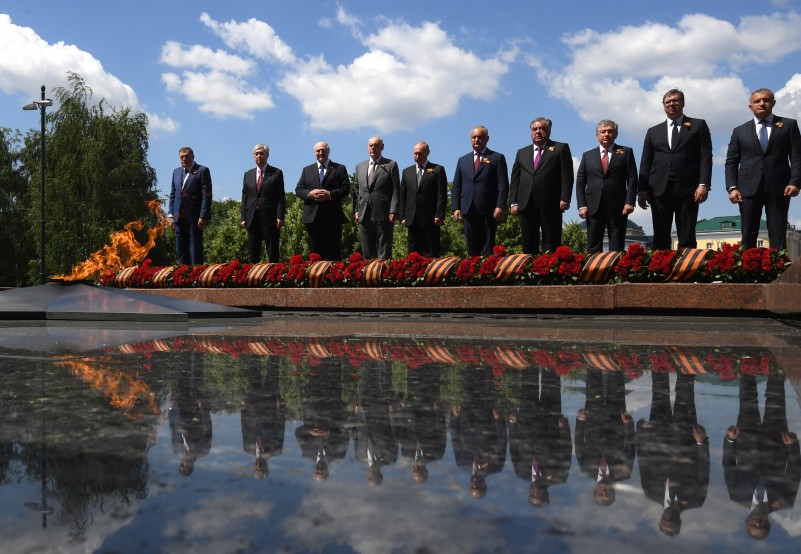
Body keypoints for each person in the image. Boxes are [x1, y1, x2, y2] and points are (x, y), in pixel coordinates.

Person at [723, 375, 799, 540]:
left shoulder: (737, 496)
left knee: (747, 397)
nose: (758, 523)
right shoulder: (784, 501)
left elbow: (728, 464)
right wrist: (793, 446)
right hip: (777, 440)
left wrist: (730, 440)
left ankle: (746, 360)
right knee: (776, 395)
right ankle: (777, 361)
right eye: (762, 526)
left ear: (746, 521)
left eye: (753, 526)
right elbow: (794, 471)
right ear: (769, 523)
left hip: (746, 437)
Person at [725, 88, 801, 250]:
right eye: (757, 101)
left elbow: (796, 157)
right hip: (747, 188)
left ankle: (779, 271)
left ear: (773, 103)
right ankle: (747, 270)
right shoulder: (740, 131)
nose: (761, 103)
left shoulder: (788, 125)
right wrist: (732, 187)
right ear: (750, 106)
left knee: (778, 232)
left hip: (780, 186)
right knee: (748, 232)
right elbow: (731, 161)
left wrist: (795, 181)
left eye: (766, 100)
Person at [638, 89, 712, 249]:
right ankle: (661, 270)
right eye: (668, 102)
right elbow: (645, 161)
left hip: (688, 187)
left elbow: (706, 156)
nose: (672, 104)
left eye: (676, 100)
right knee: (660, 234)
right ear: (664, 106)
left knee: (686, 233)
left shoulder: (698, 125)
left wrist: (704, 184)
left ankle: (687, 269)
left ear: (683, 103)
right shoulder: (653, 131)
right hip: (658, 188)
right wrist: (642, 190)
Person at [637, 372, 709, 536]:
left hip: (658, 434)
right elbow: (703, 469)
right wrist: (701, 442)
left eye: (665, 523)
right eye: (673, 524)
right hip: (687, 437)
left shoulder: (651, 492)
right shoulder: (696, 500)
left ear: (660, 518)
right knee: (686, 392)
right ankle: (687, 358)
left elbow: (643, 461)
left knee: (659, 393)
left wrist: (641, 434)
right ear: (680, 522)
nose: (669, 521)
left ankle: (659, 357)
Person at [510, 118, 574, 254]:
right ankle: (529, 272)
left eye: (542, 128)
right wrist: (514, 202)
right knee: (528, 243)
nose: (538, 132)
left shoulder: (560, 148)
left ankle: (550, 273)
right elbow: (515, 179)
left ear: (549, 130)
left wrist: (565, 198)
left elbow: (567, 176)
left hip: (551, 203)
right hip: (526, 204)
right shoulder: (522, 152)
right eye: (534, 129)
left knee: (551, 243)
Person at [576, 120, 638, 253]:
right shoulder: (588, 156)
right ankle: (593, 271)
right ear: (597, 135)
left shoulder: (626, 152)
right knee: (593, 243)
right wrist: (582, 205)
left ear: (616, 134)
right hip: (593, 205)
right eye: (603, 131)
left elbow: (632, 179)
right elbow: (581, 181)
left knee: (616, 243)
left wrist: (630, 202)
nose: (606, 134)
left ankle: (614, 271)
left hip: (618, 205)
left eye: (610, 131)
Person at [452, 126, 509, 256]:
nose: (476, 140)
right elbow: (456, 186)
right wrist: (456, 207)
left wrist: (500, 205)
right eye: (474, 137)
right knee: (471, 247)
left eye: (480, 137)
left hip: (489, 210)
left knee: (488, 247)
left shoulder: (496, 157)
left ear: (487, 139)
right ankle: (472, 272)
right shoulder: (462, 160)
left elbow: (503, 183)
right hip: (468, 208)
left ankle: (487, 273)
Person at [295, 142, 350, 260]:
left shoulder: (339, 168)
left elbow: (346, 189)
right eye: (318, 151)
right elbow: (299, 189)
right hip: (313, 219)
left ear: (328, 151)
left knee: (333, 254)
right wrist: (310, 194)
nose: (321, 153)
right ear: (314, 152)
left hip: (333, 218)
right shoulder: (307, 170)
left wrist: (330, 194)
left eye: (323, 150)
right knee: (315, 256)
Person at [399, 141, 448, 257]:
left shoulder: (437, 170)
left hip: (431, 219)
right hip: (412, 218)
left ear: (427, 153)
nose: (417, 156)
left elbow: (442, 195)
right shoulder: (407, 172)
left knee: (430, 251)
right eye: (415, 154)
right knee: (413, 253)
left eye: (420, 154)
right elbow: (403, 195)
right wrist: (402, 216)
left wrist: (439, 215)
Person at [354, 137, 400, 259]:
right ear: (367, 147)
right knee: (366, 251)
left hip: (384, 213)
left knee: (384, 251)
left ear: (382, 147)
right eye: (370, 145)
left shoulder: (391, 165)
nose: (373, 148)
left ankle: (383, 276)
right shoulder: (360, 166)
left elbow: (396, 189)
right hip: (364, 213)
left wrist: (393, 210)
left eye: (376, 145)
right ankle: (368, 276)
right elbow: (357, 189)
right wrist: (357, 210)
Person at [240, 144, 286, 263]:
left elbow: (281, 197)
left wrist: (280, 216)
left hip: (270, 219)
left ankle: (273, 278)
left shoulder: (276, 173)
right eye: (256, 153)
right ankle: (253, 279)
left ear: (267, 155)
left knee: (272, 252)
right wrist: (243, 217)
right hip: (252, 218)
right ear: (253, 156)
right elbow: (245, 197)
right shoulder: (248, 174)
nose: (259, 155)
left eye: (261, 153)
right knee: (253, 253)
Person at [168, 146, 212, 265]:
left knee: (195, 248)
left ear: (193, 157)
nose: (184, 159)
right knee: (181, 249)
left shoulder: (202, 171)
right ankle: (182, 275)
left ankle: (195, 276)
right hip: (178, 217)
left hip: (194, 217)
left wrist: (203, 216)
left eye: (186, 156)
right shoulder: (176, 172)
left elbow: (206, 195)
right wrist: (171, 215)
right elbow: (173, 194)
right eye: (181, 157)